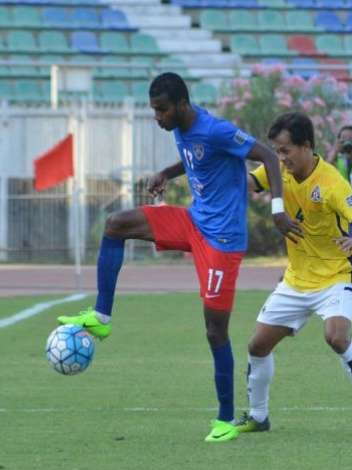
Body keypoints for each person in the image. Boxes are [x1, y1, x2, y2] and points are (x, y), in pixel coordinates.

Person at [56, 72, 300, 443]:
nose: (157, 117)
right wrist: (167, 173)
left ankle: (224, 419)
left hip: (222, 241)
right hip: (193, 222)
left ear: (181, 105)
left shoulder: (215, 129)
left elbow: (266, 155)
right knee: (116, 224)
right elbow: (196, 159)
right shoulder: (181, 126)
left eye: (161, 110)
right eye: (154, 110)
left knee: (214, 330)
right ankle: (102, 316)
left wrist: (278, 209)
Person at [236, 112, 352, 436]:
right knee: (257, 346)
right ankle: (258, 416)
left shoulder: (331, 181)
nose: (280, 157)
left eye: (285, 150)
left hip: (334, 276)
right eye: (276, 151)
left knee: (336, 337)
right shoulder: (278, 170)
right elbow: (249, 183)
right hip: (295, 279)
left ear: (306, 146)